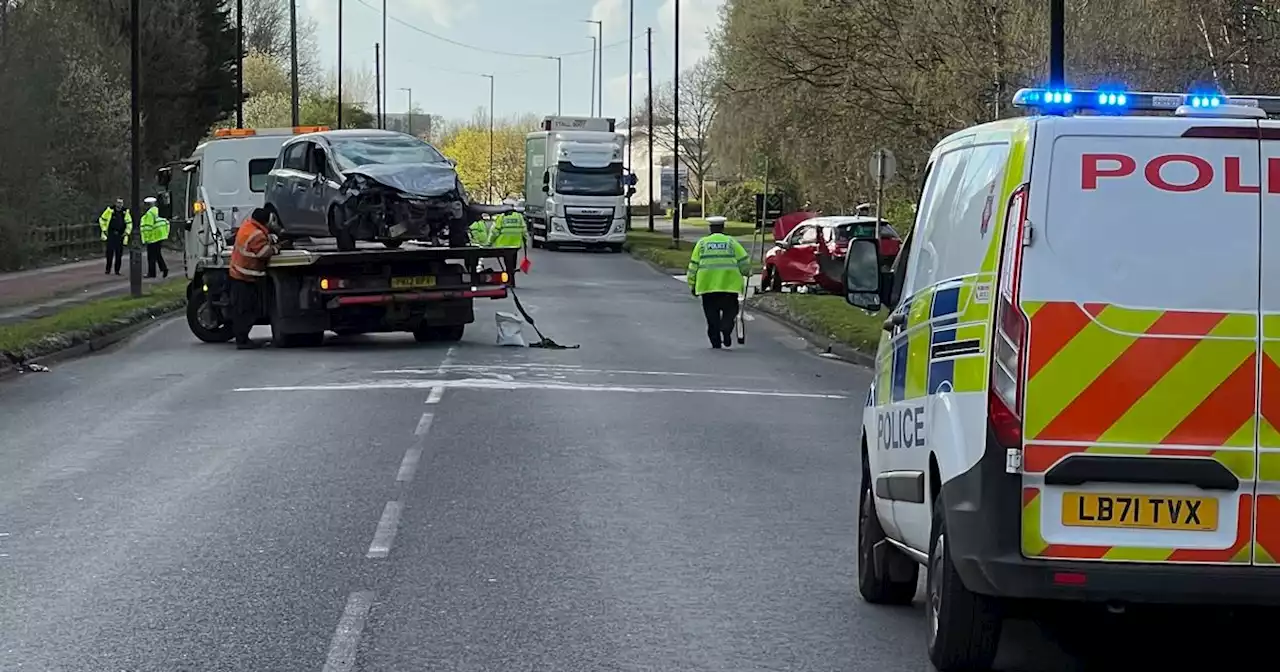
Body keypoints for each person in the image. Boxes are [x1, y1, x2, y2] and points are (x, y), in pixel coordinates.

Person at [688, 216, 751, 349]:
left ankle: (716, 342)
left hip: (707, 287)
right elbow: (743, 261)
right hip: (729, 286)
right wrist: (747, 272)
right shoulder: (731, 242)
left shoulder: (702, 244)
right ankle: (726, 329)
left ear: (710, 228)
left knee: (712, 317)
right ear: (723, 228)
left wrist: (692, 284)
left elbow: (693, 266)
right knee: (730, 312)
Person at [228, 208, 278, 350]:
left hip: (238, 274)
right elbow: (263, 253)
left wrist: (269, 238)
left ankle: (241, 338)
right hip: (246, 276)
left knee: (241, 309)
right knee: (247, 310)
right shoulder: (257, 235)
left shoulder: (248, 227)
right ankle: (242, 340)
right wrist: (275, 248)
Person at [98, 198, 133, 275]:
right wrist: (104, 229)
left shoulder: (125, 212)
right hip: (110, 234)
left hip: (120, 235)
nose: (119, 204)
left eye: (121, 203)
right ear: (115, 203)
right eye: (118, 203)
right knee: (109, 253)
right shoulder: (109, 210)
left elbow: (129, 223)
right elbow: (102, 220)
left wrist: (127, 232)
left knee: (119, 254)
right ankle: (108, 269)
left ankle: (117, 270)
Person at [140, 196, 170, 278]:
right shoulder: (159, 211)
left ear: (148, 205)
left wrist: (146, 239)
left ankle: (152, 273)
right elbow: (166, 222)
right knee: (157, 254)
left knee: (151, 256)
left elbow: (148, 227)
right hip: (160, 236)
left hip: (153, 237)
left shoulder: (150, 214)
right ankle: (164, 269)